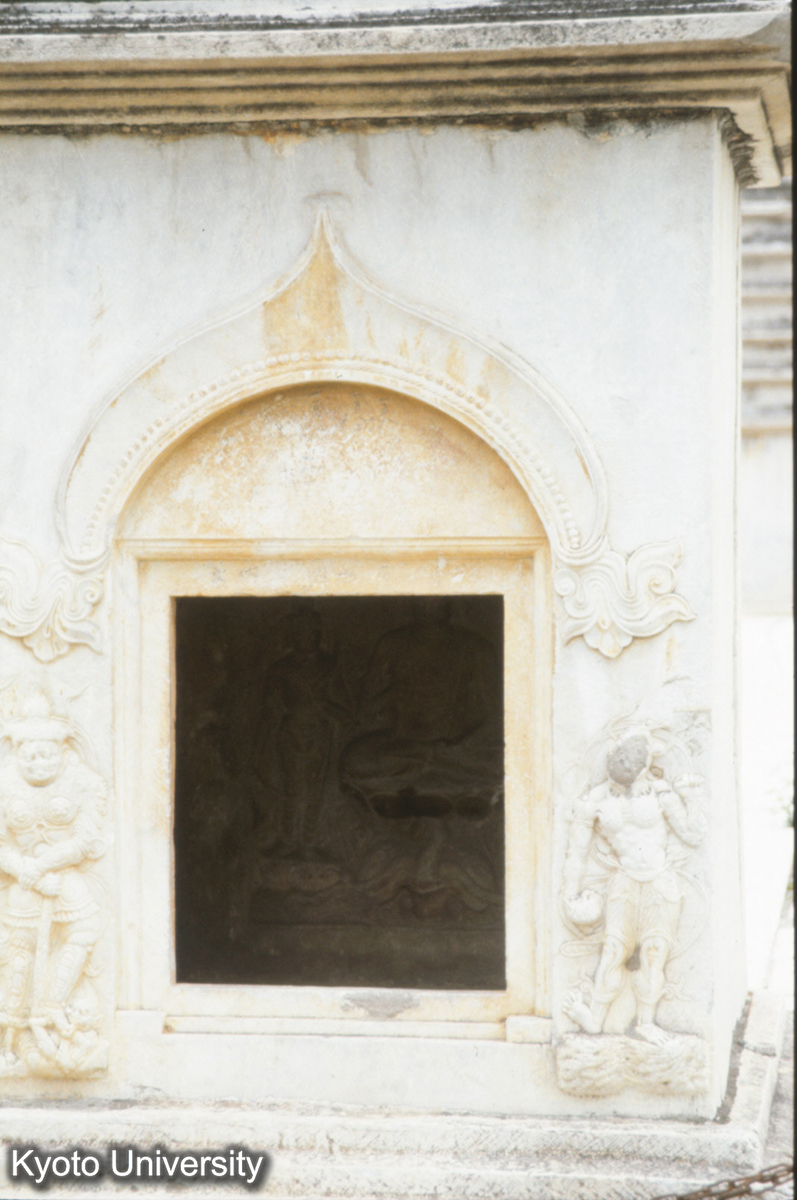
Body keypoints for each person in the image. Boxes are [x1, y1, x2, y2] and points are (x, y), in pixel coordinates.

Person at [562, 730, 706, 1045]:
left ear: (647, 763)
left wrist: (692, 798)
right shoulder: (595, 800)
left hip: (659, 880)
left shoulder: (661, 793)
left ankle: (646, 1022)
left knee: (654, 952)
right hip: (624, 880)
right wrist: (570, 894)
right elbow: (577, 852)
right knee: (614, 950)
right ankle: (595, 1018)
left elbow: (693, 834)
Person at [0, 686, 105, 1063]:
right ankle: (12, 1032)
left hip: (62, 878)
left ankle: (52, 1006)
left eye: (46, 755)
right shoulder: (4, 784)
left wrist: (45, 865)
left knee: (85, 928)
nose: (38, 763)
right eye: (29, 756)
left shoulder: (83, 782)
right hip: (24, 882)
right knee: (20, 950)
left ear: (62, 752)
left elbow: (85, 840)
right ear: (16, 753)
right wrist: (25, 870)